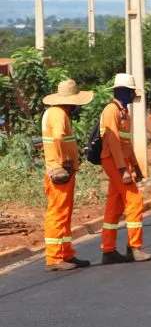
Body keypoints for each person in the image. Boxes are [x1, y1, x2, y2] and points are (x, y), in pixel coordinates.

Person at [41, 79, 94, 271]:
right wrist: (65, 161)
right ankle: (54, 258)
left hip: (61, 171)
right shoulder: (58, 114)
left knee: (64, 213)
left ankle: (66, 254)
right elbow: (58, 137)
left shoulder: (56, 112)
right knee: (58, 213)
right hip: (60, 171)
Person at [99, 73, 151, 264]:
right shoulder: (111, 111)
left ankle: (108, 250)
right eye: (130, 92)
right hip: (113, 162)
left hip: (120, 162)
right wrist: (123, 170)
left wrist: (135, 166)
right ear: (121, 91)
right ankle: (134, 248)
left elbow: (125, 144)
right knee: (134, 200)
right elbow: (113, 142)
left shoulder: (123, 112)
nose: (132, 96)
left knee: (115, 205)